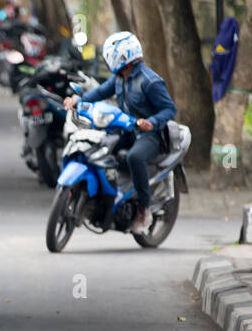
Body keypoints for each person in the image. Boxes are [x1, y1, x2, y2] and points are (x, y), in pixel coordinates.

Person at [63, 32, 177, 234]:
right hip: (127, 129)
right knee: (100, 146)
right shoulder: (119, 78)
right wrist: (78, 101)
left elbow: (170, 109)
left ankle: (144, 209)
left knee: (134, 157)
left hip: (151, 135)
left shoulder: (150, 81)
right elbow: (99, 93)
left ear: (121, 57)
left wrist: (151, 122)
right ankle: (107, 194)